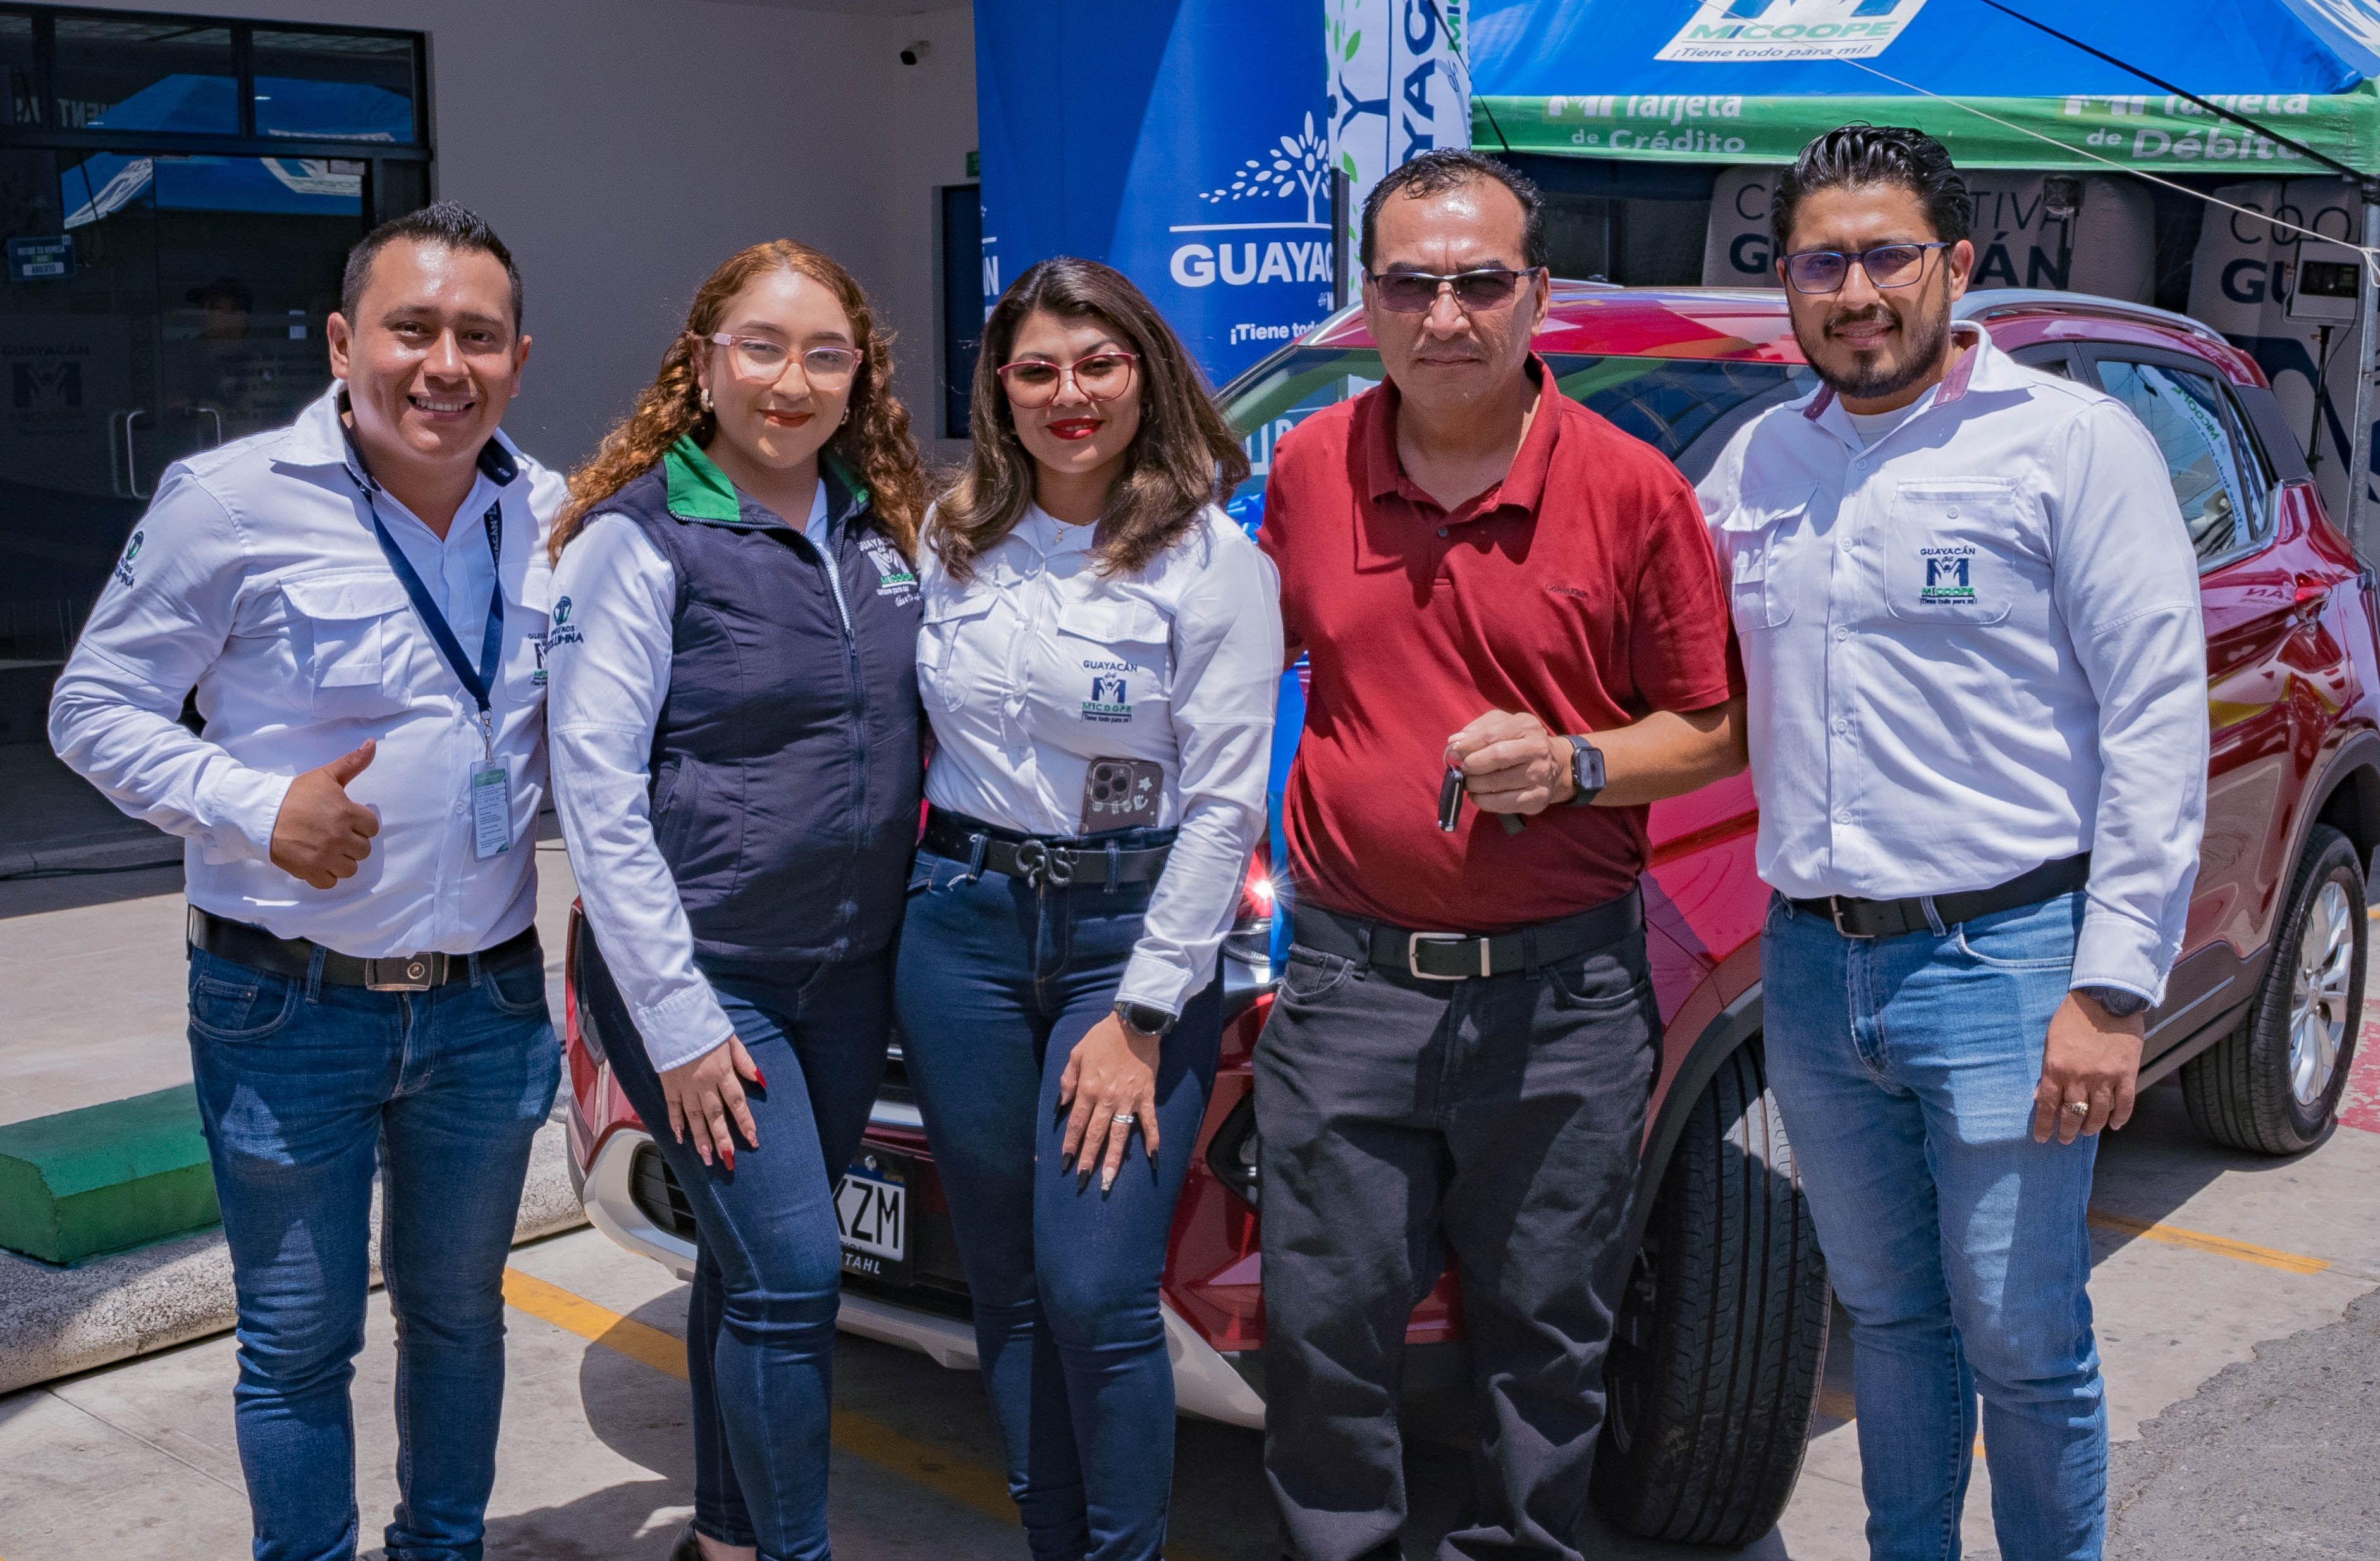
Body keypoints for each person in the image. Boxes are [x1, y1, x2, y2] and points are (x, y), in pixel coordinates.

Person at [1697, 125, 2208, 1560]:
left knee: (2022, 1336)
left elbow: (2156, 719)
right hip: (1815, 970)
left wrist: (2113, 990)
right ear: (1787, 280)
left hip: (2011, 965)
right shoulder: (1758, 463)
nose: (1855, 292)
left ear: (1955, 265)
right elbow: (1669, 658)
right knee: (1889, 1319)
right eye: (1822, 263)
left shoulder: (2070, 444)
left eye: (1886, 256)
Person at [1251, 149, 1748, 1561]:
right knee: (1324, 1335)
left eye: (1479, 281)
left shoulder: (1634, 491)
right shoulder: (1307, 466)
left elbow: (1715, 731)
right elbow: (1240, 661)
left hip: (1562, 998)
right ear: (1368, 301)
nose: (1446, 315)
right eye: (1411, 285)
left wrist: (1577, 762)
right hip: (1347, 985)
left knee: (1545, 1336)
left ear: (1538, 295)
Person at [48, 202, 562, 1561]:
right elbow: (91, 707)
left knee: (460, 1320)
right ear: (342, 342)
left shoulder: (557, 516)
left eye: (478, 336)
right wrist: (257, 806)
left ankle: (443, 1547)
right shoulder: (229, 502)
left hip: (488, 1006)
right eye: (410, 329)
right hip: (287, 1009)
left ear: (519, 360)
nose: (443, 364)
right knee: (296, 1341)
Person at [543, 240, 928, 1561]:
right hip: (707, 976)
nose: (791, 380)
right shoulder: (637, 540)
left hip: (847, 973)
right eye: (761, 347)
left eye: (825, 354)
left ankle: (723, 1539)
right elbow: (596, 797)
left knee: (748, 1267)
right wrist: (679, 1018)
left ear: (860, 375)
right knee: (796, 1276)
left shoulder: (882, 525)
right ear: (701, 363)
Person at [895, 256, 1281, 1561]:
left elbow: (1223, 807)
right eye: (1039, 369)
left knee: (1097, 1286)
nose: (1071, 395)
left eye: (1099, 364)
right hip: (960, 927)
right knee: (1005, 1282)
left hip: (1126, 943)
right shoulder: (951, 536)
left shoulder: (1209, 558)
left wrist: (1141, 1013)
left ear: (1145, 375)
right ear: (999, 388)